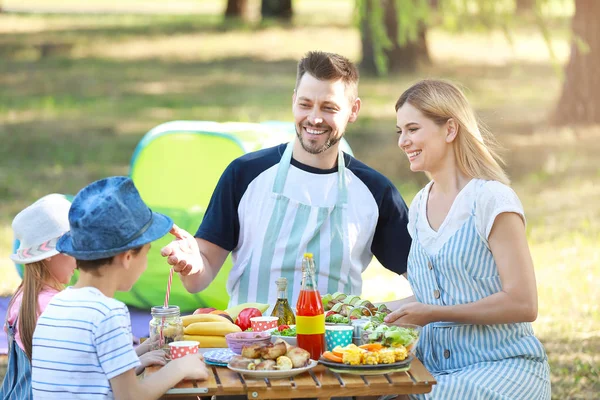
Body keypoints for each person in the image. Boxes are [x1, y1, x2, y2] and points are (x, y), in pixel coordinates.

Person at [161, 51, 412, 309]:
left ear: (353, 110)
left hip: (336, 348)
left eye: (329, 108)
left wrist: (373, 313)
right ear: (293, 101)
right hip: (251, 343)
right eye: (305, 104)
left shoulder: (375, 192)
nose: (314, 118)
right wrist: (190, 264)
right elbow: (199, 279)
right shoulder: (245, 174)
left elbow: (426, 284)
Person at [387, 79, 551, 398]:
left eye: (412, 129)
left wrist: (433, 314)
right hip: (434, 368)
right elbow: (434, 294)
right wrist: (367, 310)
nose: (403, 141)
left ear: (450, 129)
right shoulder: (419, 206)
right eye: (399, 132)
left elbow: (523, 302)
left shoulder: (491, 200)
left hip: (501, 368)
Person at [31, 177, 209, 399]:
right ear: (127, 257)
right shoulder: (108, 312)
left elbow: (87, 376)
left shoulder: (56, 304)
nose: (144, 265)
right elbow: (131, 397)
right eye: (146, 253)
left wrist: (140, 352)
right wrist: (180, 367)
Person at [1, 194, 76, 399]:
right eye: (72, 249)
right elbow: (82, 374)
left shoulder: (22, 297)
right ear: (51, 254)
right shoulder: (52, 306)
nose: (78, 259)